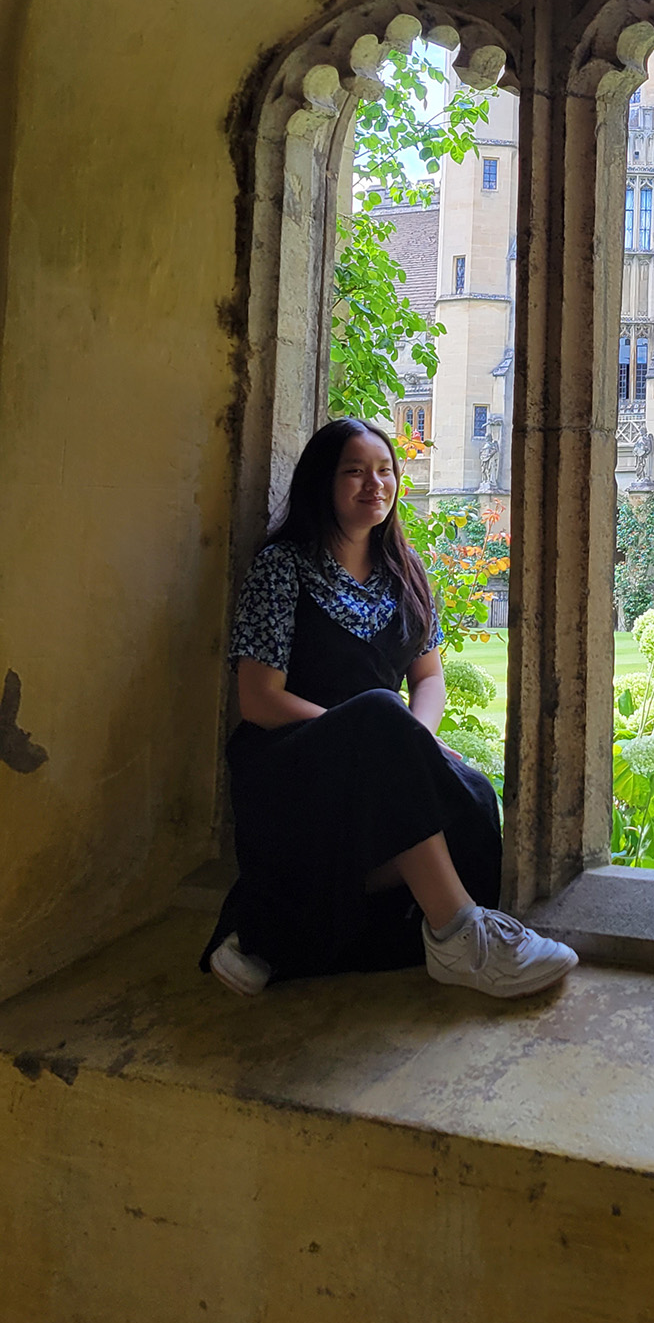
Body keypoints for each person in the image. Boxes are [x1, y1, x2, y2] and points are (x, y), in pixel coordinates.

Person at [201, 418, 576, 1001]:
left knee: (476, 800)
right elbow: (258, 699)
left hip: (381, 763)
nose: (374, 484)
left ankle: (275, 933)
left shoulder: (405, 570)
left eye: (385, 470)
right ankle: (458, 935)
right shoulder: (282, 567)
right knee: (378, 711)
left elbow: (429, 678)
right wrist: (378, 736)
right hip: (293, 763)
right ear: (322, 482)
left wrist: (409, 743)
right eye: (354, 471)